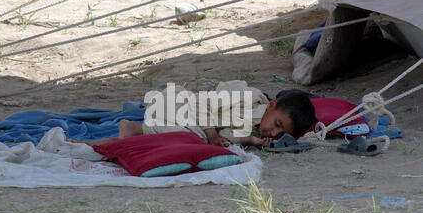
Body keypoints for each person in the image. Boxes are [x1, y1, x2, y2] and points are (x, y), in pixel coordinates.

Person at [73, 80, 317, 148]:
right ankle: (131, 127)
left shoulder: (255, 129)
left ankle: (89, 145)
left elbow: (225, 136)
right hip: (178, 104)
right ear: (272, 105)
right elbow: (202, 104)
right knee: (195, 138)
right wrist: (212, 135)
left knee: (195, 141)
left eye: (280, 132)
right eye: (276, 123)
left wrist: (248, 140)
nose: (272, 132)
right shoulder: (249, 96)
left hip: (187, 122)